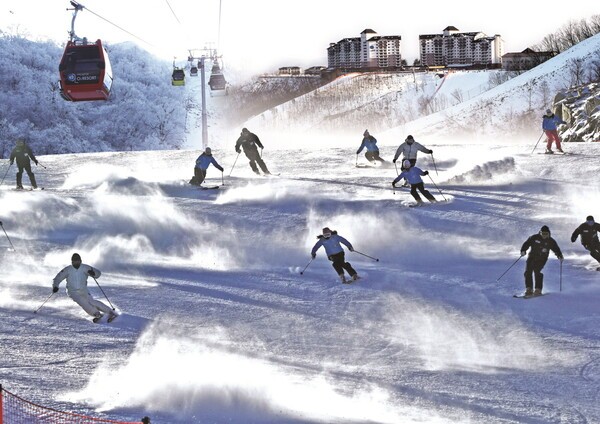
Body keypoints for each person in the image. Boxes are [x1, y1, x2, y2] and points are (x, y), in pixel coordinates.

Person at [52, 253, 117, 323]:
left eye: (78, 261)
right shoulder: (68, 269)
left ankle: (110, 312)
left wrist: (94, 273)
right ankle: (96, 313)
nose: (77, 263)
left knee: (92, 301)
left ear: (80, 261)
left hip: (83, 289)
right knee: (82, 301)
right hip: (72, 291)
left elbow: (98, 273)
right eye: (75, 261)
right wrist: (55, 286)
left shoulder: (85, 268)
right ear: (72, 262)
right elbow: (57, 278)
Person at [520, 225, 563, 296]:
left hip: (542, 259)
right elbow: (527, 243)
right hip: (532, 257)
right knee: (528, 271)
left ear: (549, 233)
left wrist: (559, 255)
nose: (544, 235)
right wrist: (523, 250)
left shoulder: (550, 241)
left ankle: (538, 289)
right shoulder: (534, 237)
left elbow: (556, 249)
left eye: (546, 234)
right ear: (540, 232)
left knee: (537, 271)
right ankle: (529, 289)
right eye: (543, 234)